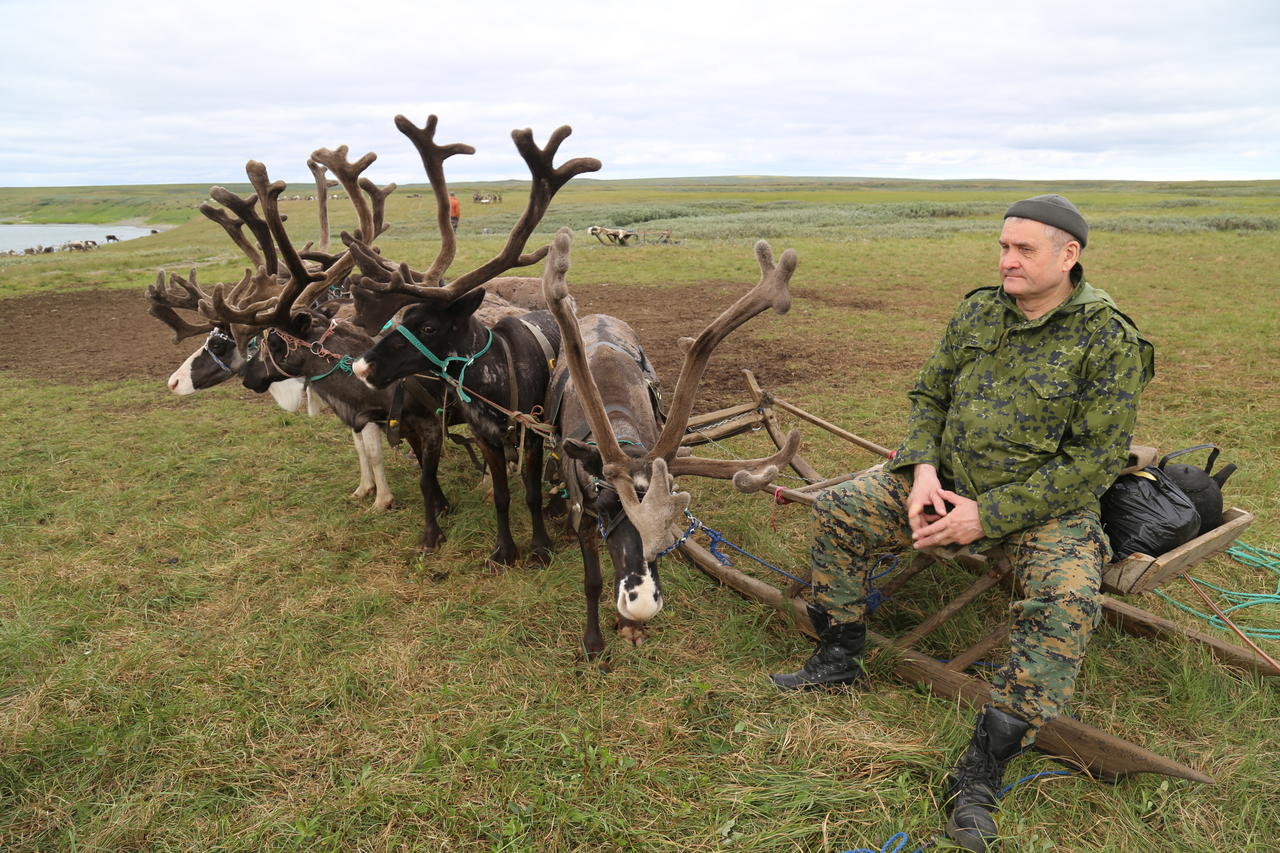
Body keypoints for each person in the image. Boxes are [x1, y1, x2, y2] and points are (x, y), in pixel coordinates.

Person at [769, 194, 1155, 852]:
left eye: (1023, 250)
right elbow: (930, 393)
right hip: (945, 484)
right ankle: (840, 652)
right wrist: (921, 469)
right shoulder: (978, 309)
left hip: (1044, 511)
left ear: (1069, 256)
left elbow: (1093, 461)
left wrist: (988, 516)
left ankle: (981, 768)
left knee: (1066, 599)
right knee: (840, 507)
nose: (1006, 260)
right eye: (1003, 247)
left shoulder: (1107, 337)